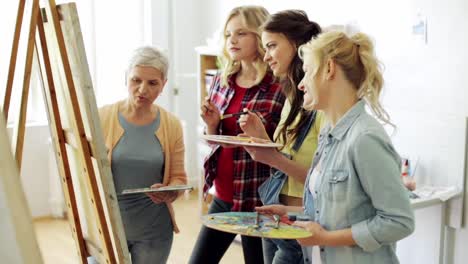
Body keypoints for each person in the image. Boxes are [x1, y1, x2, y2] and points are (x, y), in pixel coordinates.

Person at [257, 30, 415, 263]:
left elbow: (399, 222)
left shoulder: (365, 138)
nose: (301, 85)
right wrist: (292, 213)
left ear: (329, 69)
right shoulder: (328, 132)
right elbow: (338, 211)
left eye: (307, 72)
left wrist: (326, 238)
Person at [189, 6, 285, 264]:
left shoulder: (279, 86)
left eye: (241, 33)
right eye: (228, 34)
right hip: (223, 195)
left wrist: (259, 133)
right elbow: (215, 140)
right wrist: (211, 124)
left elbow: (284, 147)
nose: (232, 40)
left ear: (260, 36)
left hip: (258, 200)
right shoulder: (222, 79)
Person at [238, 10, 323, 264]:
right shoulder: (292, 98)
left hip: (298, 222)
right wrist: (262, 138)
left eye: (272, 46)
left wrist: (272, 157)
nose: (266, 56)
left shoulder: (320, 106)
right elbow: (284, 158)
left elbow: (323, 184)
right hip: (276, 215)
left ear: (296, 45)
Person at [99, 46, 187, 264]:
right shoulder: (101, 117)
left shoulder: (172, 125)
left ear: (164, 84)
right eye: (136, 80)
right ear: (125, 78)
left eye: (153, 83)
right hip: (107, 228)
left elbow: (179, 178)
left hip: (154, 230)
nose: (142, 89)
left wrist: (170, 192)